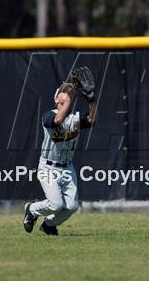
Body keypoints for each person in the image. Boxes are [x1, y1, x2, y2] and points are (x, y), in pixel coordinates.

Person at [23, 67, 97, 235]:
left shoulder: (74, 120)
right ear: (56, 100)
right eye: (63, 101)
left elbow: (92, 120)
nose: (66, 102)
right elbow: (57, 120)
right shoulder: (48, 115)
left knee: (71, 206)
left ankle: (49, 225)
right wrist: (70, 97)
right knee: (56, 204)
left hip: (67, 168)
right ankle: (32, 209)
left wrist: (91, 100)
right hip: (48, 168)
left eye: (67, 100)